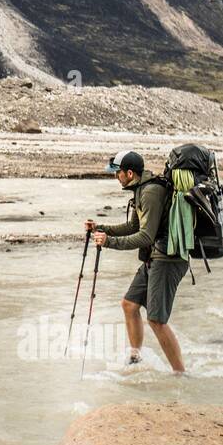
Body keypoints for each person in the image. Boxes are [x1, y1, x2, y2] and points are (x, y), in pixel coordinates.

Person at [85, 150, 187, 373]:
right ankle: (135, 357)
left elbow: (145, 236)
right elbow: (134, 227)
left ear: (129, 173)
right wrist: (101, 228)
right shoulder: (140, 189)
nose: (116, 177)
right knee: (130, 305)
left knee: (156, 320)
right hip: (155, 255)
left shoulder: (150, 192)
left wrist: (109, 242)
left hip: (168, 258)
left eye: (117, 173)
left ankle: (181, 375)